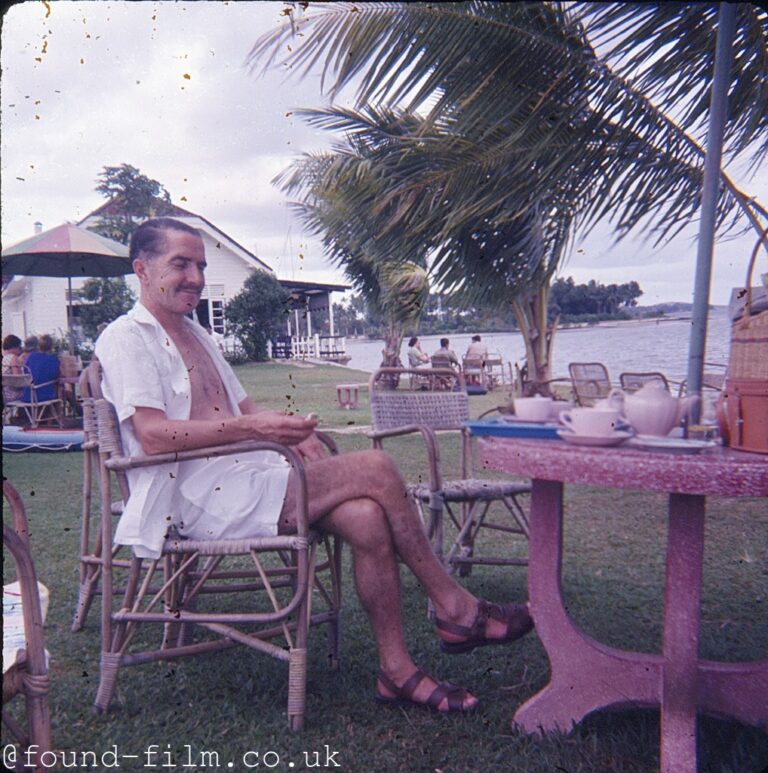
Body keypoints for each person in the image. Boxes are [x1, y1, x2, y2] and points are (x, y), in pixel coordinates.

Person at [96, 218, 533, 713]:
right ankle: (456, 607)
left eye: (199, 265)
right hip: (194, 496)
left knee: (367, 518)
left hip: (248, 476)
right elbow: (152, 436)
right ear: (142, 269)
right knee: (377, 468)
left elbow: (243, 411)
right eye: (181, 264)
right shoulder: (126, 337)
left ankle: (397, 673)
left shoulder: (197, 334)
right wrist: (254, 432)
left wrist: (288, 430)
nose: (195, 276)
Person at [20, 334, 60, 403]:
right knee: (60, 388)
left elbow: (25, 371)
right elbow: (55, 376)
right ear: (51, 347)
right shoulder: (53, 359)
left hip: (28, 395)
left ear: (38, 346)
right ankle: (57, 413)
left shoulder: (31, 357)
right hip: (42, 395)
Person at [2, 334, 24, 404]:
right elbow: (17, 381)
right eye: (19, 346)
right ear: (13, 347)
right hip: (11, 395)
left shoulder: (3, 358)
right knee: (31, 392)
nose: (20, 349)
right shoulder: (13, 358)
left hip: (3, 394)